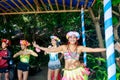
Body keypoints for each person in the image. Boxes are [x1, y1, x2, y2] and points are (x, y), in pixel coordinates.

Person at [33, 31, 106, 80]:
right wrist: (38, 47)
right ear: (68, 39)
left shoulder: (79, 48)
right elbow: (50, 50)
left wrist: (106, 49)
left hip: (77, 71)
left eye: (74, 37)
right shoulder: (64, 47)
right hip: (67, 72)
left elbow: (93, 49)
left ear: (76, 39)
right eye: (70, 37)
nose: (72, 39)